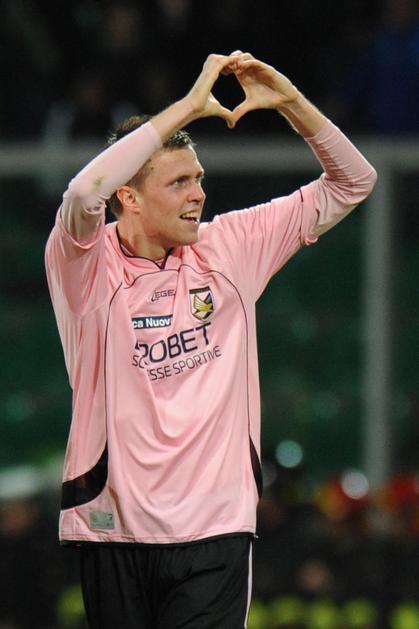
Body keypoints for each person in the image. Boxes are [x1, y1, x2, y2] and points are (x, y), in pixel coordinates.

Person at [45, 51, 377, 629]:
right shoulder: (86, 268)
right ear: (129, 197)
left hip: (216, 530)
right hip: (115, 527)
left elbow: (355, 181)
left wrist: (292, 103)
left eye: (198, 179)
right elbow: (81, 193)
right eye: (179, 182)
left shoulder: (230, 247)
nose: (198, 194)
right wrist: (186, 107)